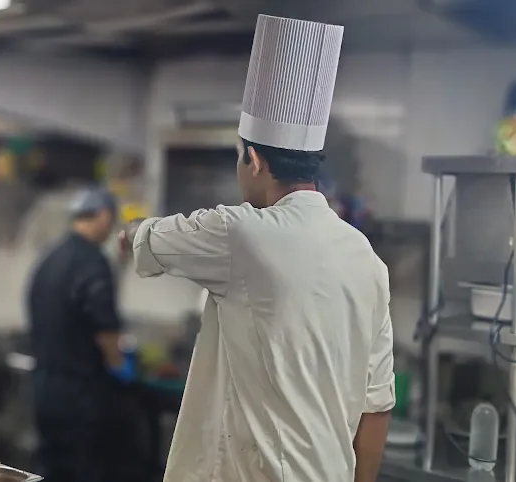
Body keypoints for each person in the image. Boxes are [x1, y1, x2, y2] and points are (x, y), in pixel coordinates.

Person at [120, 15, 394, 482]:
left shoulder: (239, 232)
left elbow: (145, 241)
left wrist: (126, 229)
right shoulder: (366, 258)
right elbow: (376, 409)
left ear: (254, 158)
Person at [28, 186, 143, 482]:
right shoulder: (92, 261)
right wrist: (120, 366)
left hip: (44, 388)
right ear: (103, 216)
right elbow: (105, 328)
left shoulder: (50, 257)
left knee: (52, 470)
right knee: (84, 471)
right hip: (78, 395)